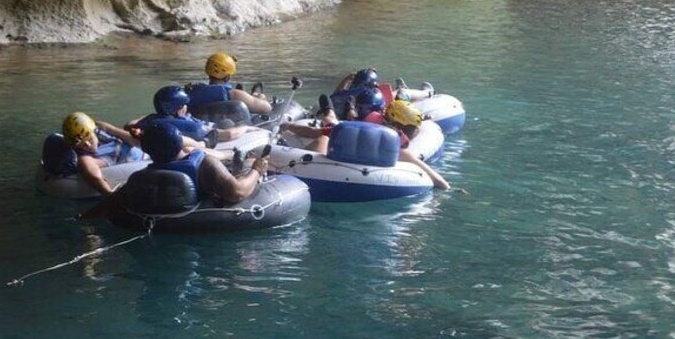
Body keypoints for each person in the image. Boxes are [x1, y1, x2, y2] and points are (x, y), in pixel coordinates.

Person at [280, 99, 450, 191]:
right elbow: (433, 177)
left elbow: (315, 133)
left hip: (323, 170)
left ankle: (331, 112)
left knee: (328, 132)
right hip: (329, 169)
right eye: (412, 130)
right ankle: (330, 112)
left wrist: (288, 127)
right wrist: (446, 188)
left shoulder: (349, 132)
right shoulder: (397, 150)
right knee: (328, 131)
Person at [141, 121, 269, 203]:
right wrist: (257, 170)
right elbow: (237, 192)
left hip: (164, 228)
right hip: (199, 226)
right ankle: (246, 163)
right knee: (250, 163)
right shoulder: (205, 164)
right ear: (179, 140)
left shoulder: (145, 175)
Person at [132, 85, 263, 148]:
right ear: (177, 109)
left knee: (226, 122)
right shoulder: (190, 127)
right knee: (227, 123)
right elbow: (227, 135)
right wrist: (245, 128)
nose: (186, 107)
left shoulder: (148, 120)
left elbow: (131, 124)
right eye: (184, 105)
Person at [50, 111, 143, 196]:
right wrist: (110, 194)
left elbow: (129, 138)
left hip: (131, 148)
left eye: (89, 139)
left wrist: (144, 140)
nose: (87, 145)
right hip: (124, 158)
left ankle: (153, 117)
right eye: (81, 144)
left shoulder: (100, 127)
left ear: (94, 131)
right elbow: (95, 177)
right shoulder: (85, 159)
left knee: (130, 125)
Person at [186, 53, 272, 115]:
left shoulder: (193, 91)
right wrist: (260, 97)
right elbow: (267, 108)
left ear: (208, 73)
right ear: (227, 77)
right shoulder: (235, 94)